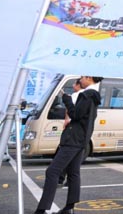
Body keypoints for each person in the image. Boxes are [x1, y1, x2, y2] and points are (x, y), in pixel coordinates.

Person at [33, 76, 102, 214]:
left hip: (73, 139)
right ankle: (69, 208)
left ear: (89, 78)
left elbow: (75, 115)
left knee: (52, 171)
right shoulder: (94, 96)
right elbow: (83, 118)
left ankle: (42, 210)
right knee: (73, 173)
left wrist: (66, 99)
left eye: (82, 77)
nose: (80, 80)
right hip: (81, 139)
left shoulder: (86, 95)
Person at [58, 79, 83, 186]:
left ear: (78, 85)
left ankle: (59, 179)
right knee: (74, 161)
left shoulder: (76, 95)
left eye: (74, 83)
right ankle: (70, 181)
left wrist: (66, 120)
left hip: (72, 132)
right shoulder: (85, 96)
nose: (73, 85)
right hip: (80, 134)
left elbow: (70, 110)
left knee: (64, 156)